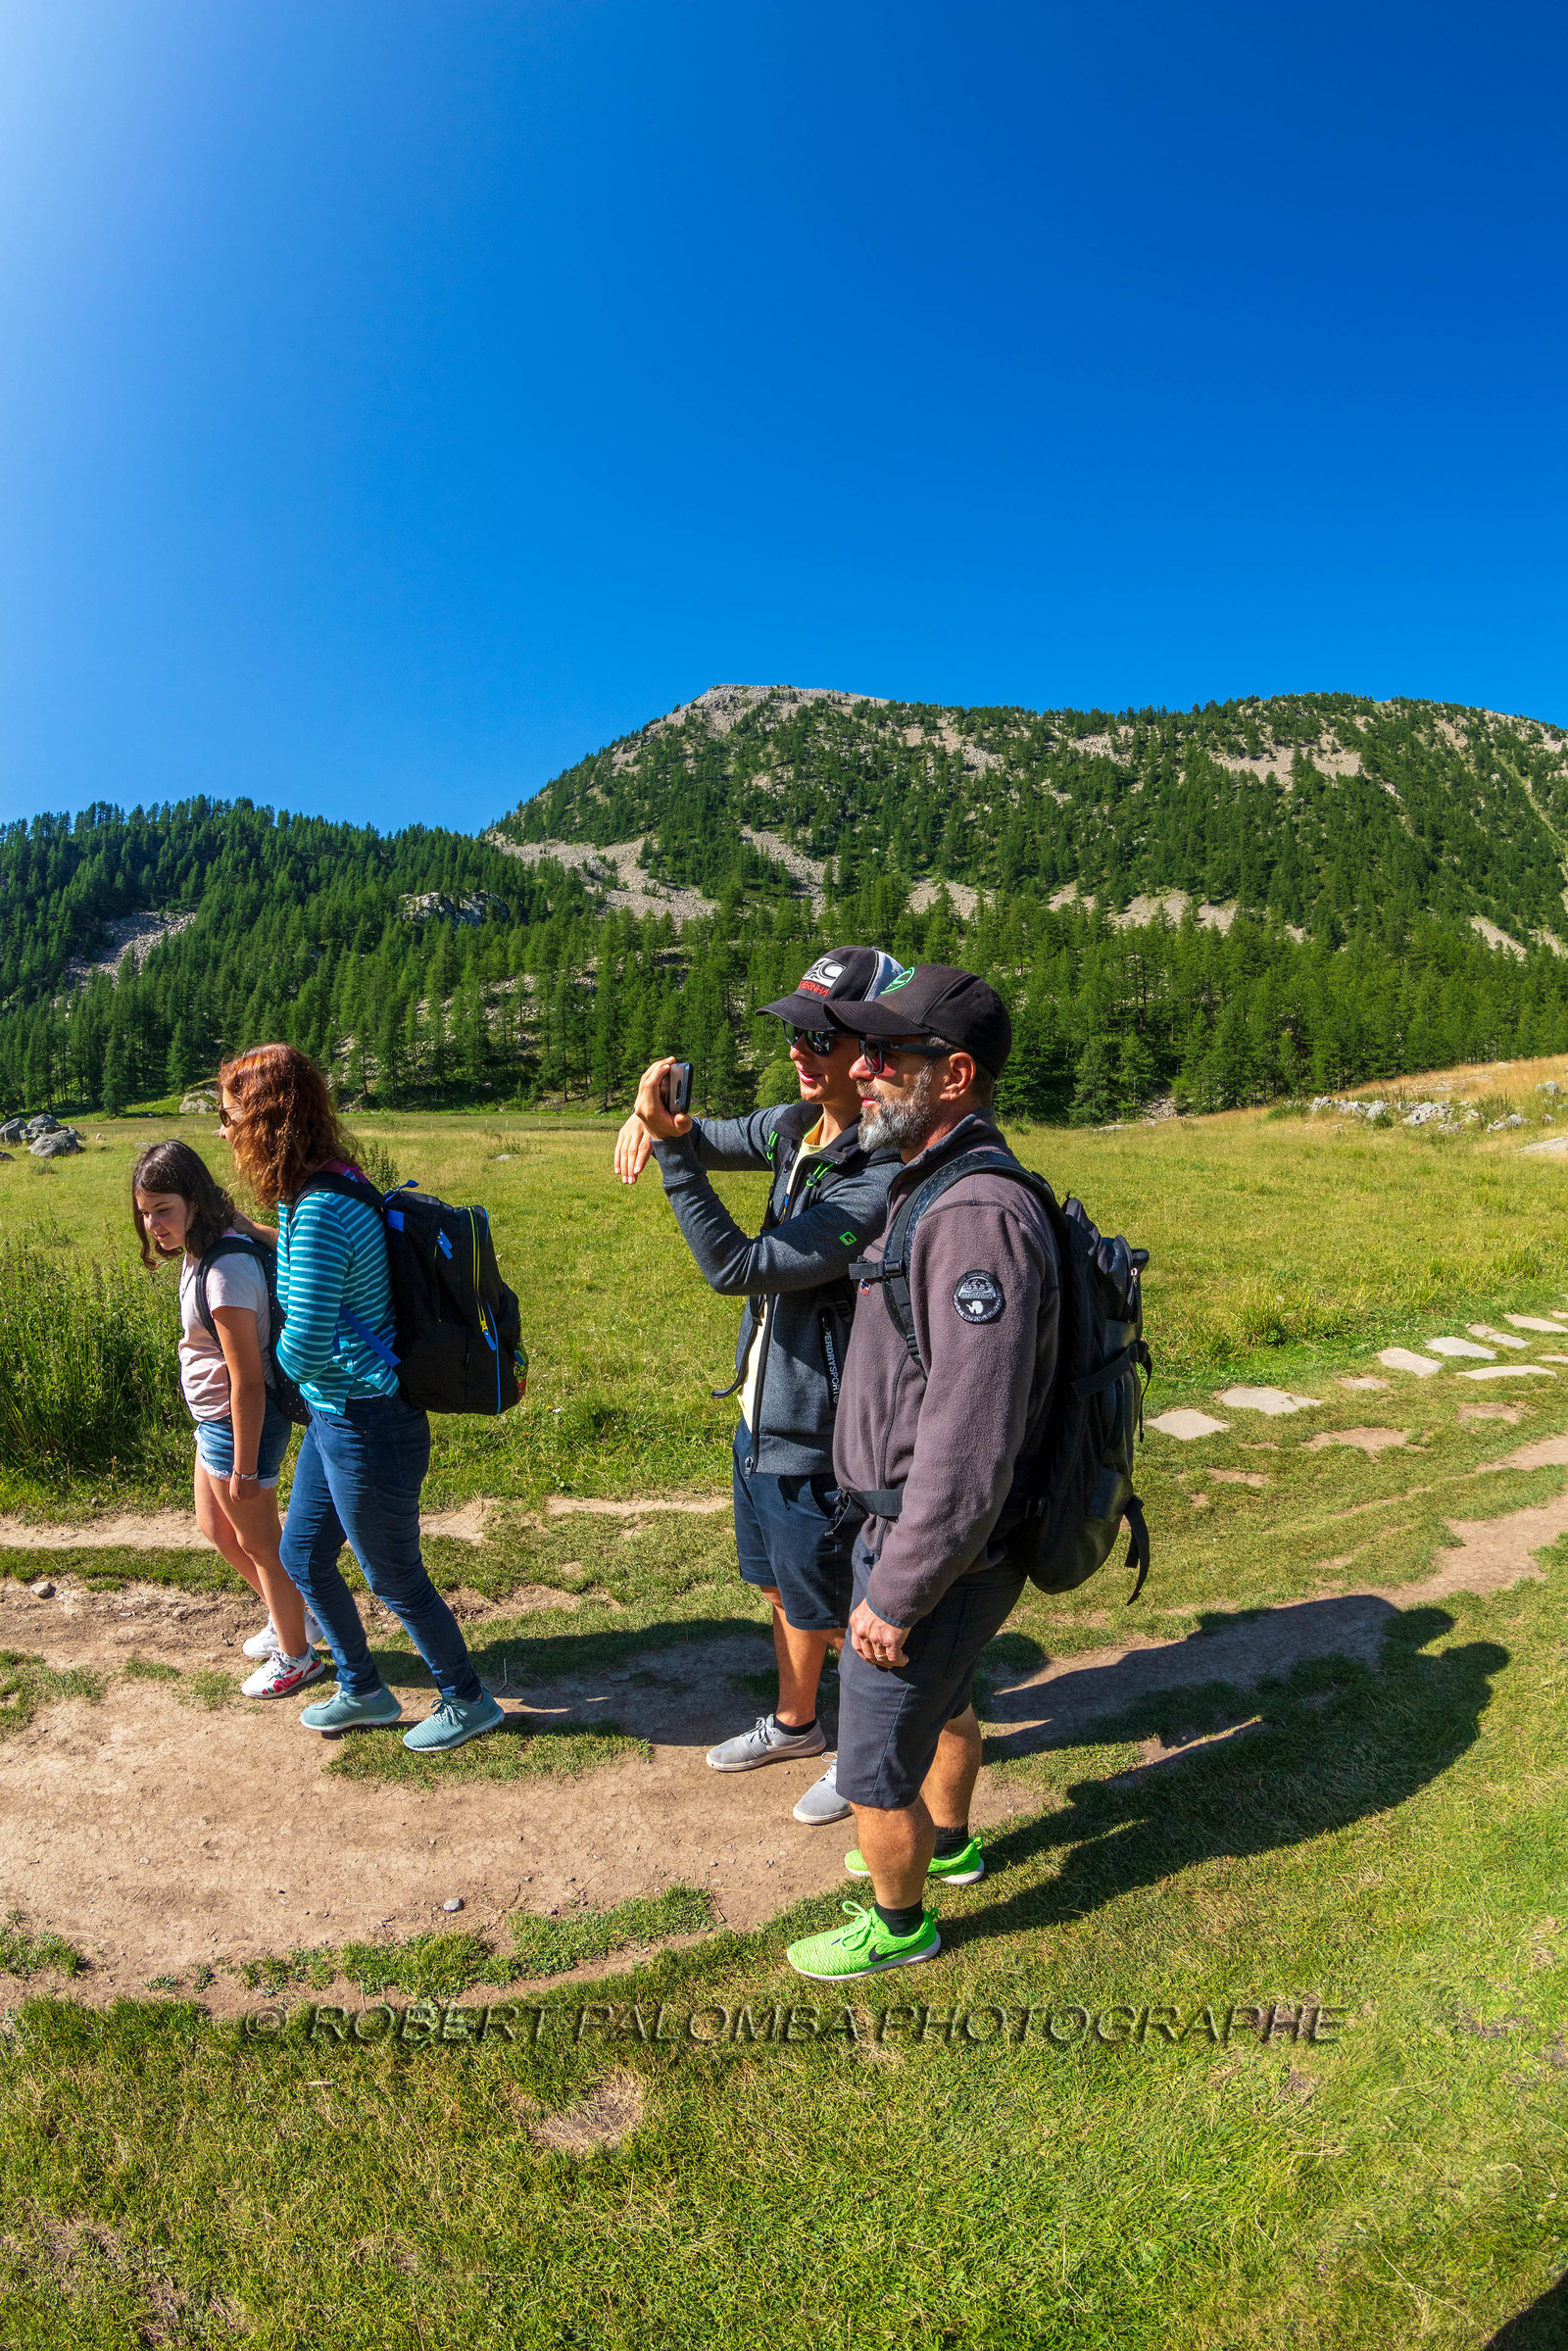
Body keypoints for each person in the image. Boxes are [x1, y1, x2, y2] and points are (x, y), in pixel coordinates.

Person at [782, 965, 1059, 1982]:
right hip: (922, 1531)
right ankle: (951, 1846)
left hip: (927, 1541)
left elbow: (969, 1434)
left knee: (870, 1761)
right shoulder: (933, 1181)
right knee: (945, 1701)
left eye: (885, 1055)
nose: (860, 1069)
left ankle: (899, 1924)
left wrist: (898, 1591)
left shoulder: (972, 1212)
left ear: (955, 1073)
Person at [613, 947, 904, 1825]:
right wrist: (655, 1116)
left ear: (871, 1050)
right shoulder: (795, 1125)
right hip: (761, 1417)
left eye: (821, 1037)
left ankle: (861, 1756)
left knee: (843, 1609)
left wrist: (671, 1154)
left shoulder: (877, 1178)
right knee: (780, 1590)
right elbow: (704, 1135)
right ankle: (797, 1722)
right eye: (795, 1032)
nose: (798, 1050)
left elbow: (736, 1266)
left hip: (820, 1436)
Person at [217, 1043, 504, 1753]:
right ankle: (363, 1689)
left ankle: (467, 1699)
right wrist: (250, 1231)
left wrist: (253, 1373)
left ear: (265, 1121)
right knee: (302, 1553)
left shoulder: (317, 1208)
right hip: (338, 1415)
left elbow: (307, 1344)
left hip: (367, 1422)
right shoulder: (322, 1186)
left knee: (394, 1575)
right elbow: (314, 1276)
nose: (223, 1131)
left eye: (230, 1117)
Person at [131, 1138, 326, 1700]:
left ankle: (297, 1656)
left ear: (193, 1201)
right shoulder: (201, 1247)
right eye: (144, 1213)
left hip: (238, 1424)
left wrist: (244, 1467)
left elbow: (248, 1381)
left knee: (262, 1544)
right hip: (214, 1420)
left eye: (162, 1209)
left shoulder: (225, 1269)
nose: (152, 1225)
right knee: (216, 1528)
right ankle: (295, 1618)